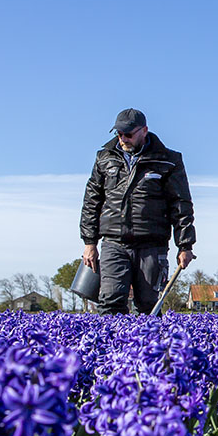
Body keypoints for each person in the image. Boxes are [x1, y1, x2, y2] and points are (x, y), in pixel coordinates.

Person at [80, 109, 196, 314]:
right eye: (119, 134)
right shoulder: (104, 158)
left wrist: (185, 244)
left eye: (128, 134)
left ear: (144, 131)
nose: (123, 139)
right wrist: (90, 242)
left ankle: (151, 346)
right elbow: (92, 201)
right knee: (110, 302)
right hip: (114, 242)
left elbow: (181, 205)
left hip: (152, 243)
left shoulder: (168, 160)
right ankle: (111, 346)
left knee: (148, 303)